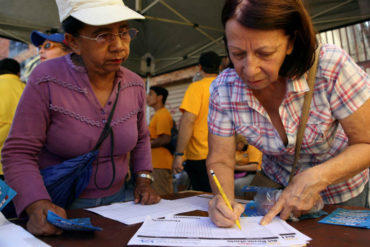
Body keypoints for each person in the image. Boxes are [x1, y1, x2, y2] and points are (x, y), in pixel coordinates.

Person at [2, 0, 160, 236]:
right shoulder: (46, 79)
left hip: (122, 206)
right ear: (73, 42)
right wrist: (36, 204)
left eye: (124, 32)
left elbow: (141, 139)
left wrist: (143, 180)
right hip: (61, 208)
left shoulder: (135, 84)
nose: (118, 46)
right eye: (102, 35)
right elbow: (18, 152)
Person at [207, 0, 370, 228]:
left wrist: (317, 177)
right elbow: (220, 159)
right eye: (237, 53)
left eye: (265, 53)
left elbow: (366, 142)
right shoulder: (223, 89)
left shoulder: (330, 66)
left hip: (341, 194)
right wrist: (222, 199)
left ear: (291, 42)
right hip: (275, 191)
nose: (250, 69)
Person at [172, 51, 221, 192]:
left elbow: (188, 121)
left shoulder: (197, 87)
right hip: (225, 153)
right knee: (221, 196)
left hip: (200, 155)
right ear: (219, 66)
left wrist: (179, 154)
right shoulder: (226, 88)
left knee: (203, 198)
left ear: (200, 67)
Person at [0, 58, 25, 180]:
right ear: (18, 73)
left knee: (3, 199)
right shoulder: (28, 88)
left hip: (1, 165)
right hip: (25, 166)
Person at [147, 86, 174, 195]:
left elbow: (165, 139)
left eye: (150, 94)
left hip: (160, 163)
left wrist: (145, 146)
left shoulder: (162, 114)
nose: (147, 97)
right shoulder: (157, 115)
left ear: (159, 97)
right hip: (155, 163)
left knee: (163, 198)